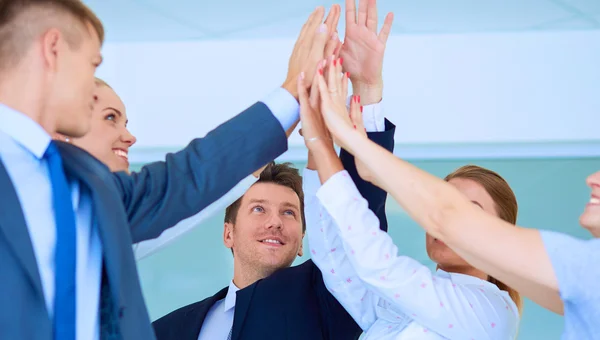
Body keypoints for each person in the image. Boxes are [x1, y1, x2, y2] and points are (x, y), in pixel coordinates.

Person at [0, 1, 330, 340]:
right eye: (91, 65)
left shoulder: (88, 183)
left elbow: (188, 176)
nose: (93, 89)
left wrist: (292, 94)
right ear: (53, 50)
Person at [312, 38, 600, 340]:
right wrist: (318, 139)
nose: (591, 179)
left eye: (469, 211)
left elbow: (387, 258)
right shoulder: (404, 303)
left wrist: (344, 139)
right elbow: (336, 262)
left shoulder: (490, 311)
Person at [152, 3, 396, 339]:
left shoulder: (334, 297)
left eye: (290, 212)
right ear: (228, 234)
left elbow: (360, 225)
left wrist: (366, 95)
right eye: (258, 209)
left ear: (301, 243)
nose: (275, 222)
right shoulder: (167, 329)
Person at [55, 77, 266, 260]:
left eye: (125, 124)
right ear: (62, 131)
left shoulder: (112, 223)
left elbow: (191, 205)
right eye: (111, 117)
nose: (130, 137)